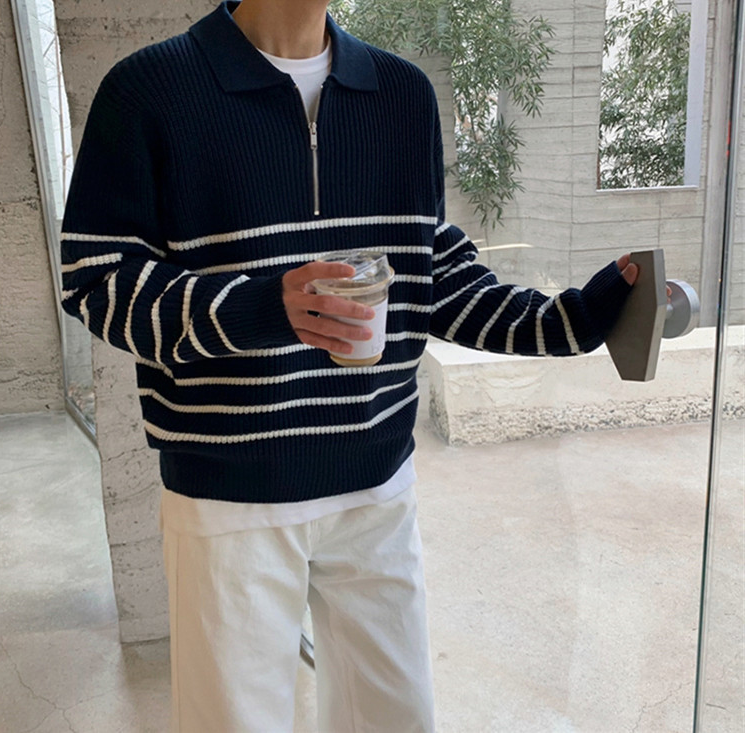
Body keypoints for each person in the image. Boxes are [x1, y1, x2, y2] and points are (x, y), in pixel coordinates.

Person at [60, 1, 638, 730]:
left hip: (376, 486)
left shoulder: (402, 94)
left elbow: (427, 273)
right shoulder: (149, 90)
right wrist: (264, 307)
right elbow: (96, 280)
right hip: (231, 496)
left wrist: (565, 323)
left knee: (398, 718)